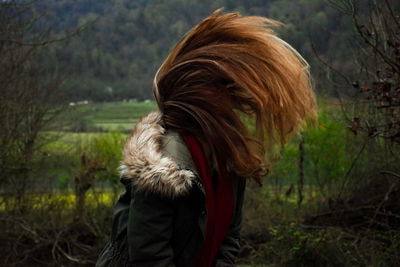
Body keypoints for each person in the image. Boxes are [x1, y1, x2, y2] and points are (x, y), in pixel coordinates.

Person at [96, 9, 316, 267]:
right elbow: (149, 256)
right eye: (222, 89)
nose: (231, 99)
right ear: (202, 98)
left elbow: (230, 238)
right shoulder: (162, 167)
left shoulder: (229, 159)